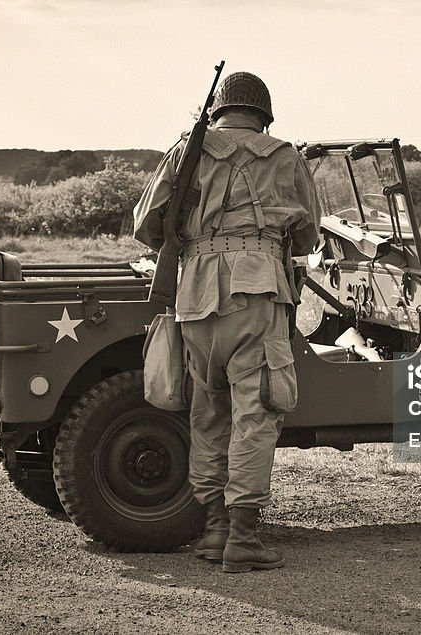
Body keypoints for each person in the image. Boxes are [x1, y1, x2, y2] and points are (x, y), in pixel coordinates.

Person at [133, 71, 321, 572]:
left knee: (209, 414)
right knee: (257, 413)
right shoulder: (285, 156)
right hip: (256, 293)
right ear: (264, 113)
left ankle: (215, 530)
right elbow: (306, 239)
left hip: (193, 296)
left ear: (217, 110)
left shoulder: (186, 151)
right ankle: (243, 538)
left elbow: (146, 225)